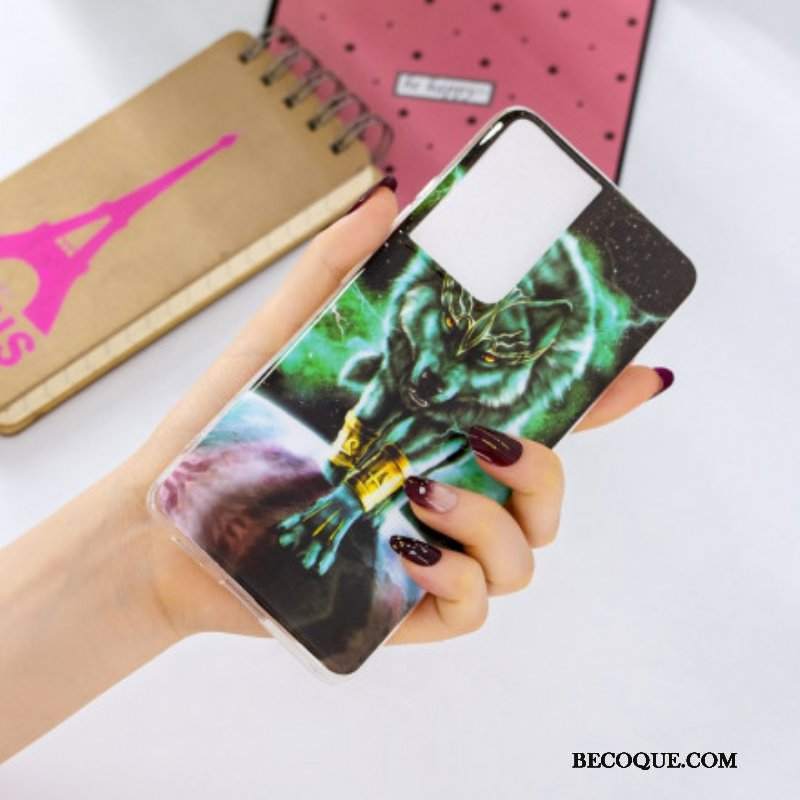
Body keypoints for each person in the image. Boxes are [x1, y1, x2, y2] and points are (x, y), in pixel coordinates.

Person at [0, 179, 672, 761]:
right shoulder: (418, 319)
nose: (446, 364)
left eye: (489, 352)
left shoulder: (506, 372)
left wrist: (146, 575)